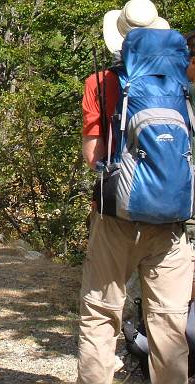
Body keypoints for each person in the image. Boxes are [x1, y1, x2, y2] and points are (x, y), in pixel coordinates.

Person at [78, 1, 194, 383]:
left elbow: (92, 156)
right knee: (170, 324)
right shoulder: (180, 83)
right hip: (172, 219)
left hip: (116, 218)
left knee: (100, 313)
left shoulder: (100, 83)